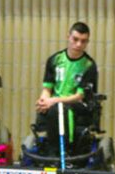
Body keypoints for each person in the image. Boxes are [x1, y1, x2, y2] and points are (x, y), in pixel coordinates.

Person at [34, 21, 98, 157]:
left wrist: (54, 101)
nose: (79, 44)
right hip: (55, 103)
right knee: (49, 108)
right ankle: (50, 149)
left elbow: (80, 96)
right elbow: (47, 88)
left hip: (77, 104)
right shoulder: (54, 60)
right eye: (75, 39)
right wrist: (44, 100)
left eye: (83, 41)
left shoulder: (89, 66)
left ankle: (62, 150)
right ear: (68, 37)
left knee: (59, 109)